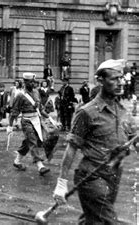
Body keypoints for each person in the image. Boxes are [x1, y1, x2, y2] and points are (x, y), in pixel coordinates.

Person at [53, 59, 135, 224]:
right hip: (91, 175)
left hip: (113, 174)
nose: (120, 83)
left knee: (93, 220)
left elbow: (133, 139)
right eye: (114, 79)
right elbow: (71, 148)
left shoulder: (123, 111)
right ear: (100, 81)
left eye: (121, 78)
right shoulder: (86, 112)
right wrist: (61, 183)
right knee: (109, 220)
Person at [7, 72, 51, 176]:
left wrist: (51, 119)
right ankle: (40, 165)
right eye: (30, 82)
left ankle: (17, 161)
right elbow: (14, 112)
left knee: (29, 142)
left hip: (36, 119)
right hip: (26, 120)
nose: (33, 84)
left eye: (34, 82)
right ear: (25, 82)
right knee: (32, 141)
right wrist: (10, 125)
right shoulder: (20, 95)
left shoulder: (36, 92)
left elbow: (41, 109)